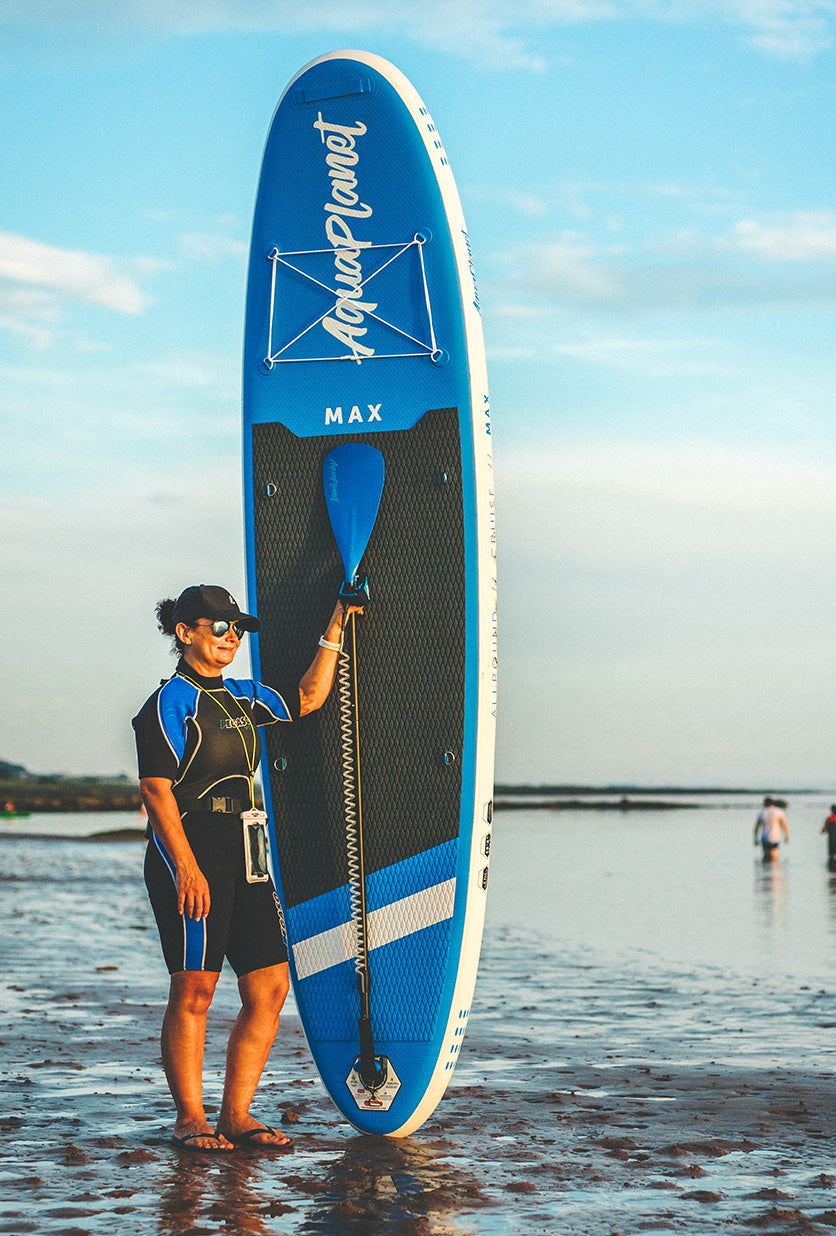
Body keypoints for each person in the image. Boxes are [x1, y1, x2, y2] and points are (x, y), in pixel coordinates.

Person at [133, 583, 360, 1153]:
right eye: (219, 626)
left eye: (237, 628)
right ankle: (190, 1118)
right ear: (185, 633)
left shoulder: (242, 696)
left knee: (270, 985)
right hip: (191, 852)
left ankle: (235, 1115)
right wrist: (187, 869)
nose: (231, 636)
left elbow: (308, 697)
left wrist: (336, 622)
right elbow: (156, 791)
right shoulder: (168, 703)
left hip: (247, 850)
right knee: (196, 988)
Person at [753, 796, 789, 861]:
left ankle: (765, 867)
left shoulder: (761, 812)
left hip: (764, 838)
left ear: (765, 803)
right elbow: (784, 826)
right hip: (774, 838)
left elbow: (757, 827)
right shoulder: (779, 811)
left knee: (765, 858)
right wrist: (786, 837)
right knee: (774, 858)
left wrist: (755, 838)